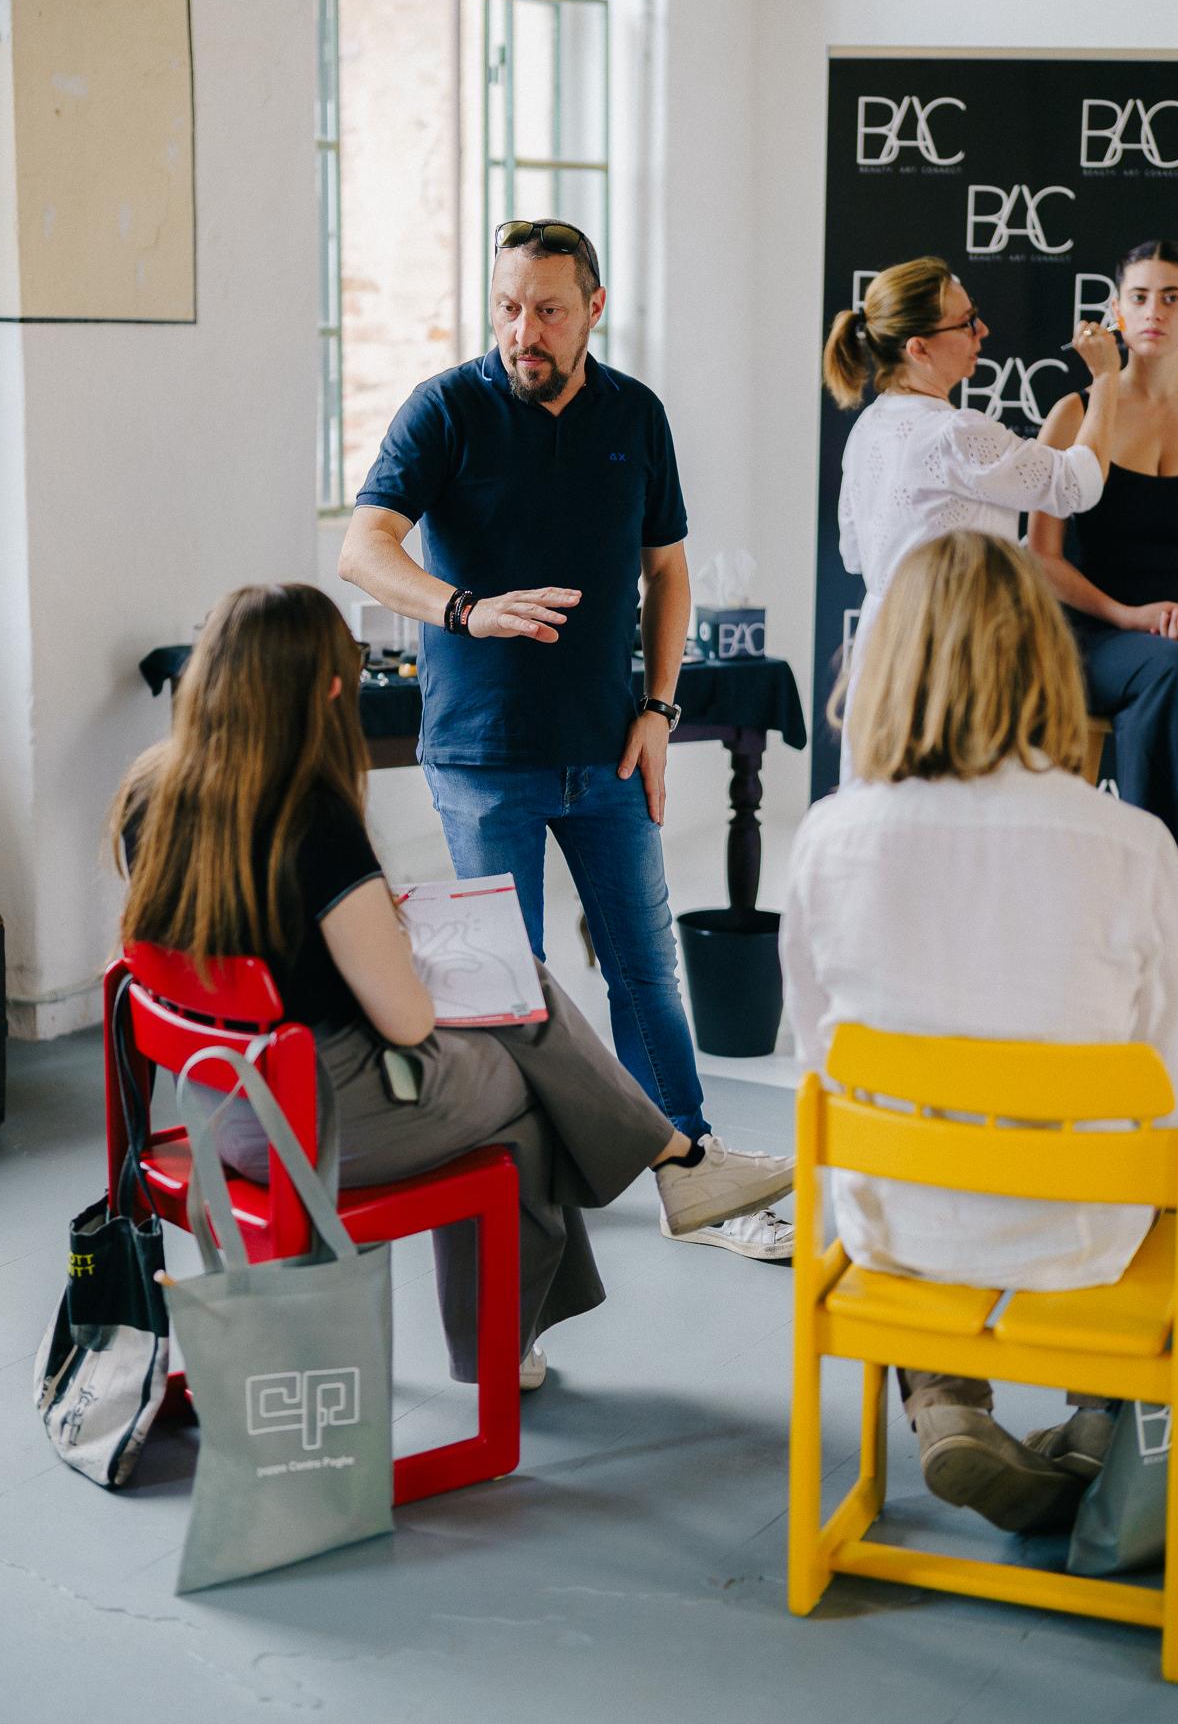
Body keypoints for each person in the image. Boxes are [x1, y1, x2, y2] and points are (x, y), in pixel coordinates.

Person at [111, 584, 797, 1392]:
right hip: (315, 1116)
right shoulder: (310, 818)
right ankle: (597, 1244)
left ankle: (668, 1169)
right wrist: (415, 958)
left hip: (217, 1107)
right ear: (333, 689)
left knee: (523, 995)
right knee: (530, 1089)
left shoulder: (150, 792)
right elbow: (402, 1023)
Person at [338, 217, 791, 1262]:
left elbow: (666, 568)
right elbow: (364, 545)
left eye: (545, 308)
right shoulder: (446, 408)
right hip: (482, 758)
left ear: (592, 307)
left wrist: (661, 709)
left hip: (608, 752)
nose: (521, 331)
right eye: (506, 307)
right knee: (515, 981)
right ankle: (528, 1190)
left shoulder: (636, 413)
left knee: (644, 969)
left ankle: (694, 1174)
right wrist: (462, 609)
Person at [782, 531, 1178, 1533]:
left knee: (912, 1169)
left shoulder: (828, 839)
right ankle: (1104, 1420)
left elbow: (820, 1059)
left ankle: (939, 1400)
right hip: (1082, 1239)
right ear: (1043, 660)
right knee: (1170, 1202)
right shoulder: (1130, 845)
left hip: (900, 1228)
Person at [823, 254, 1119, 773]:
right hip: (956, 654)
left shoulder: (867, 427)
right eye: (965, 323)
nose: (981, 329)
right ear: (918, 349)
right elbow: (1079, 482)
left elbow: (854, 553)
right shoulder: (956, 434)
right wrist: (1108, 379)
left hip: (887, 647)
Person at [1027, 239, 1178, 925]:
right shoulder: (1073, 413)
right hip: (1088, 628)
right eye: (1138, 297)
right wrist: (1129, 616)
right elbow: (1042, 559)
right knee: (1170, 672)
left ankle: (1155, 887)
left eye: (1170, 297)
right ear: (1115, 310)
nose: (1153, 311)